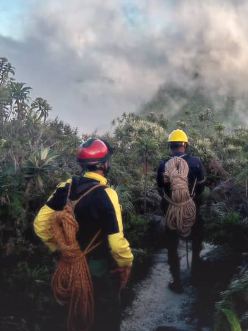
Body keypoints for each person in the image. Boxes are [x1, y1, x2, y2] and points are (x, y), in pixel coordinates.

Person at [34, 138, 133, 331]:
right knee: (106, 317)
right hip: (95, 269)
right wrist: (125, 263)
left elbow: (40, 225)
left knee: (70, 315)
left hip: (67, 266)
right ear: (104, 164)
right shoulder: (107, 194)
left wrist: (60, 250)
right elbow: (115, 241)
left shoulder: (66, 187)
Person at [156, 129, 205, 293]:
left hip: (171, 210)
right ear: (185, 145)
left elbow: (160, 189)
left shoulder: (163, 165)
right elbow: (201, 188)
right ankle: (197, 277)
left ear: (170, 146)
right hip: (193, 207)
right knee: (197, 241)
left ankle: (176, 282)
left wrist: (173, 201)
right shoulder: (196, 163)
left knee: (171, 245)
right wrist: (189, 200)